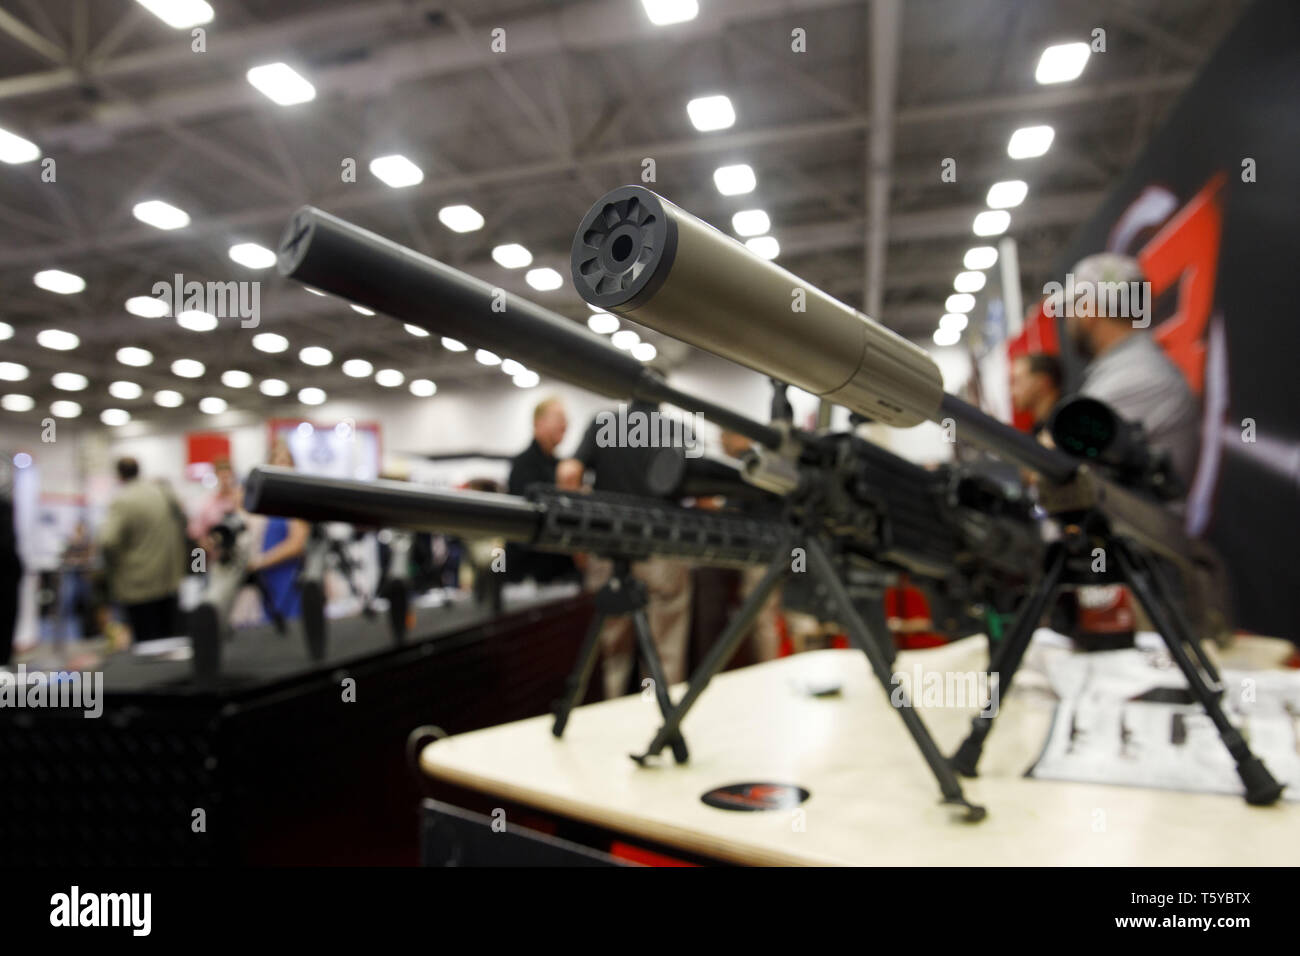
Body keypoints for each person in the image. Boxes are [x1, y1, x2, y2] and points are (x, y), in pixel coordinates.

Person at [557, 402, 693, 699]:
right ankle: (662, 722)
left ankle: (614, 717)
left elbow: (568, 474)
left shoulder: (605, 423)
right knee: (666, 650)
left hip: (609, 548)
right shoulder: (677, 429)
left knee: (613, 654)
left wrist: (577, 540)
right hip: (662, 550)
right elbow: (704, 498)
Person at [1064, 252, 1200, 489]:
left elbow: (1064, 462)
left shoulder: (1134, 378)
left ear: (1088, 308)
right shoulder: (1131, 369)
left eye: (1070, 306)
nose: (1067, 318)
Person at [98, 458, 185, 644]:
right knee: (169, 640)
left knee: (146, 643)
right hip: (168, 580)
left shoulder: (123, 499)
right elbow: (183, 525)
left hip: (137, 586)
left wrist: (113, 568)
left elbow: (107, 541)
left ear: (119, 475)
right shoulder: (162, 493)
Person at [505, 397, 577, 584]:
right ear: (539, 422)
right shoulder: (523, 465)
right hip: (528, 576)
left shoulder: (559, 465)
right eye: (559, 418)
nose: (565, 424)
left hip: (558, 573)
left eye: (566, 420)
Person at [248, 440, 309, 621]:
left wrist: (260, 562)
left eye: (286, 461)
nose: (282, 466)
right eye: (278, 460)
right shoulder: (270, 503)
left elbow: (297, 544)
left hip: (288, 577)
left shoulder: (294, 502)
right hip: (269, 578)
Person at [188, 458, 242, 551]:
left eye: (227, 476)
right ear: (217, 476)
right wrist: (205, 543)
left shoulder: (241, 498)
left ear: (233, 476)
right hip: (218, 554)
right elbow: (196, 530)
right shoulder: (209, 502)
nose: (225, 480)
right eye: (222, 476)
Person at [1010, 353, 1063, 436]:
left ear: (1042, 383)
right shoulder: (1036, 432)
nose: (1012, 392)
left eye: (1017, 381)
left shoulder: (1072, 419)